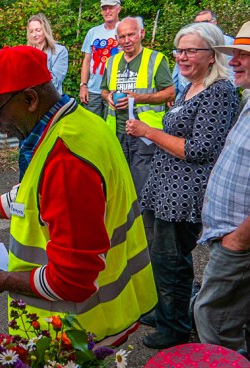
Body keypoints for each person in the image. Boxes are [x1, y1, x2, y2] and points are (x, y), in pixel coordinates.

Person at [0, 45, 157, 347]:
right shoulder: (78, 123)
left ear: (30, 99)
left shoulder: (66, 159)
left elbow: (72, 282)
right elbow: (27, 199)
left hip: (77, 332)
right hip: (93, 317)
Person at [125, 22, 240, 349]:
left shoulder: (220, 91)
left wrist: (149, 132)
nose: (182, 57)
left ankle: (174, 327)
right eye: (179, 50)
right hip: (164, 188)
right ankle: (165, 310)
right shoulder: (191, 86)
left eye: (191, 50)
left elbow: (200, 150)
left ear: (211, 55)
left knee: (172, 261)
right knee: (159, 256)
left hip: (184, 194)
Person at [193, 21, 250, 356]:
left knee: (212, 317)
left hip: (239, 241)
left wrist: (239, 239)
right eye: (236, 53)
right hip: (233, 237)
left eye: (245, 55)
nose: (234, 61)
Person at [100, 17, 174, 197]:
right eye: (122, 36)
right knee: (119, 183)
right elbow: (103, 90)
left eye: (131, 35)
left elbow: (170, 93)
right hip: (116, 131)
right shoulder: (112, 61)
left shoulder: (155, 59)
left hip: (144, 132)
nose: (126, 40)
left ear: (141, 34)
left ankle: (144, 223)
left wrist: (139, 98)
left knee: (142, 185)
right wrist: (108, 96)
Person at [172, 10, 236, 101]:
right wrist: (173, 91)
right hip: (186, 93)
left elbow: (231, 74)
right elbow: (178, 69)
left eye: (191, 51)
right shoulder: (188, 40)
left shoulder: (226, 43)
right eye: (197, 23)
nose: (182, 57)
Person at [79, 0, 122, 118]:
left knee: (112, 126)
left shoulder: (125, 30)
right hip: (93, 89)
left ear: (119, 9)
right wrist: (83, 85)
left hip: (116, 89)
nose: (107, 11)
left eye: (111, 8)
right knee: (92, 127)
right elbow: (87, 60)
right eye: (104, 8)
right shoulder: (93, 32)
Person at [27, 13, 69, 95]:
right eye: (31, 31)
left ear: (45, 30)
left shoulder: (60, 51)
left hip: (51, 99)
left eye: (38, 30)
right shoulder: (26, 52)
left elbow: (55, 83)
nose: (34, 35)